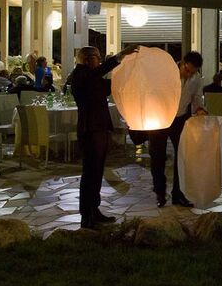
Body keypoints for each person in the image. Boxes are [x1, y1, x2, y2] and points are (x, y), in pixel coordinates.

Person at [72, 44, 138, 228]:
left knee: (98, 171)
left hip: (99, 129)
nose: (99, 60)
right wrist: (119, 57)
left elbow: (110, 86)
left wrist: (130, 73)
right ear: (87, 59)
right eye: (97, 57)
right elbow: (99, 73)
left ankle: (95, 209)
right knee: (90, 173)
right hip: (90, 130)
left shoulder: (93, 77)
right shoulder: (81, 75)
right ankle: (86, 215)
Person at [148, 51, 208, 208]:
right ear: (183, 63)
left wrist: (200, 108)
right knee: (157, 156)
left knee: (182, 156)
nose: (189, 75)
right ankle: (160, 192)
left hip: (180, 118)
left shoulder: (196, 79)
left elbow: (196, 97)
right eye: (187, 70)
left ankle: (178, 194)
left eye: (192, 72)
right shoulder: (166, 72)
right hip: (160, 118)